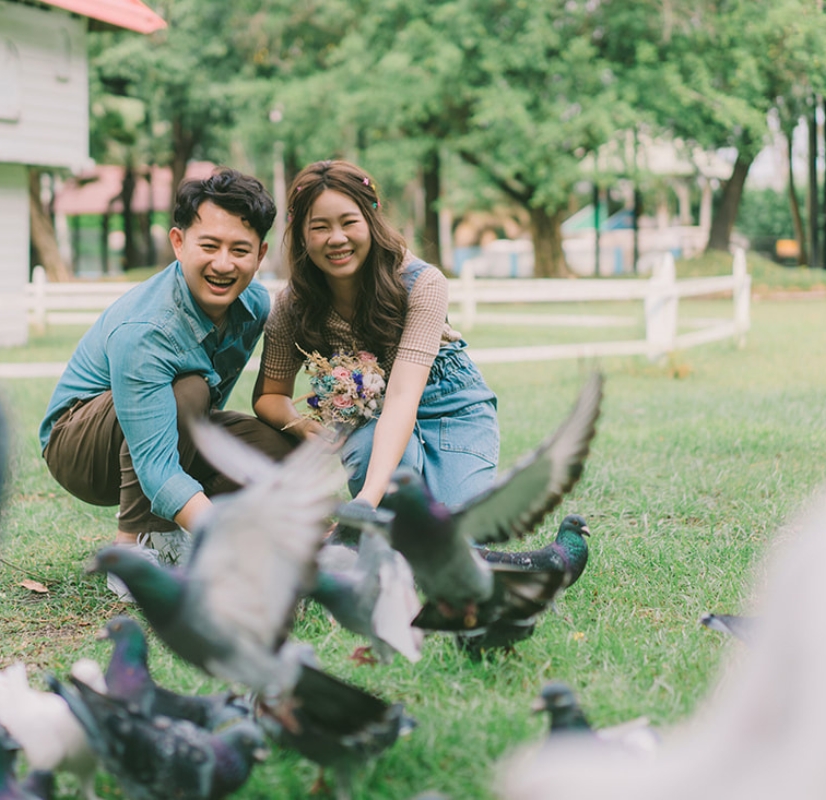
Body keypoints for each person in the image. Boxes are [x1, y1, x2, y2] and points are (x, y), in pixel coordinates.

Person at [40, 169, 292, 596]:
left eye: (240, 250)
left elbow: (203, 415)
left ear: (261, 253)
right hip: (78, 445)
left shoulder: (253, 305)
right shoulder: (145, 329)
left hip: (174, 422)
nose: (223, 264)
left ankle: (184, 524)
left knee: (277, 450)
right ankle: (135, 546)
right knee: (189, 388)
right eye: (209, 246)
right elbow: (157, 463)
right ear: (178, 243)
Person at [254, 159, 498, 512]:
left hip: (449, 405)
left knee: (453, 538)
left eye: (349, 222)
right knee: (401, 528)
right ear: (301, 234)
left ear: (371, 220)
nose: (336, 238)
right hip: (370, 418)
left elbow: (402, 398)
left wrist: (367, 500)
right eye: (319, 227)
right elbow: (269, 395)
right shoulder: (293, 305)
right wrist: (300, 424)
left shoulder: (422, 284)